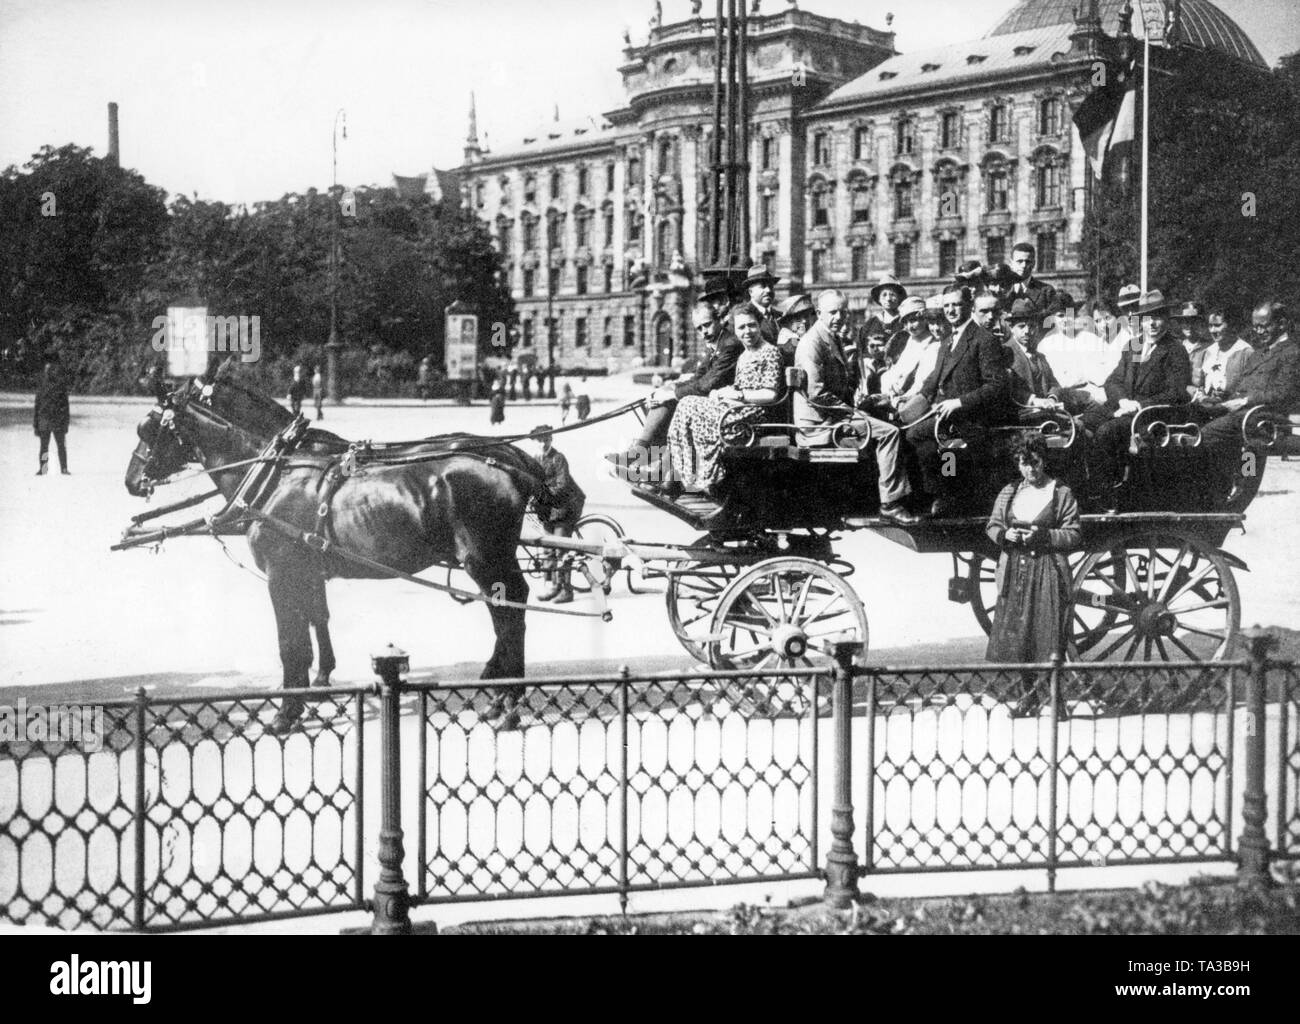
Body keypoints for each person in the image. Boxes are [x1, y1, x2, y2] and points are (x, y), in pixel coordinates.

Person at [793, 290, 918, 523]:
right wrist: (852, 411)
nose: (839, 317)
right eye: (832, 312)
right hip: (819, 425)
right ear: (819, 313)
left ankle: (885, 494)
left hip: (831, 416)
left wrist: (857, 400)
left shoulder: (832, 337)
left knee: (887, 421)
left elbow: (837, 385)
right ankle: (890, 502)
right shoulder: (812, 342)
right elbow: (816, 393)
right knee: (890, 433)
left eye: (843, 311)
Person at [985, 432, 1082, 716]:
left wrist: (1043, 536)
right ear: (1017, 463)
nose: (1030, 470)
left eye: (1035, 463)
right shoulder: (1010, 492)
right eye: (1024, 463)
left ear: (1044, 460)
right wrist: (1007, 534)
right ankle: (1027, 696)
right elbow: (992, 526)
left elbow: (1074, 534)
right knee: (1018, 634)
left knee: (1050, 635)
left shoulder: (1060, 492)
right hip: (1015, 569)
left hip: (1048, 570)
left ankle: (1057, 698)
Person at [607, 300, 743, 484]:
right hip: (711, 399)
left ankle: (655, 467)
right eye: (699, 328)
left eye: (707, 325)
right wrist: (671, 388)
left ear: (719, 320)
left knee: (679, 404)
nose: (704, 332)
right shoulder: (715, 343)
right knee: (667, 393)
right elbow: (698, 377)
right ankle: (642, 455)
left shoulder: (729, 344)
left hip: (724, 403)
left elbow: (708, 384)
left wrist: (672, 394)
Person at [1081, 290, 1191, 509]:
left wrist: (1139, 405)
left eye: (1158, 317)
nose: (1152, 324)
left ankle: (1106, 495)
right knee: (1084, 422)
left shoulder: (1175, 349)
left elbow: (1177, 392)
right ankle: (1085, 486)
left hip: (1151, 416)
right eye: (1147, 318)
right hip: (1125, 408)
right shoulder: (1133, 345)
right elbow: (1113, 381)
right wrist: (1123, 401)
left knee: (1107, 432)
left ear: (1166, 319)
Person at [906, 285, 1010, 517]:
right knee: (912, 432)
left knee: (923, 438)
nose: (951, 310)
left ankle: (946, 495)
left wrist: (959, 403)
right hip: (949, 417)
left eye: (957, 305)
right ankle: (941, 494)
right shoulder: (947, 340)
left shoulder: (984, 340)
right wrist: (904, 403)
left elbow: (997, 386)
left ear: (968, 306)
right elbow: (932, 381)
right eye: (947, 306)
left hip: (971, 419)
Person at [667, 305, 783, 496]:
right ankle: (687, 474)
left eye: (752, 326)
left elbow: (771, 394)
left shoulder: (769, 352)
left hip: (756, 414)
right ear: (735, 331)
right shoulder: (745, 355)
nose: (747, 332)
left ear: (760, 325)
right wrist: (721, 393)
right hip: (738, 409)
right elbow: (737, 387)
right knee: (686, 403)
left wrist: (739, 395)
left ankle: (710, 478)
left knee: (690, 407)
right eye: (741, 328)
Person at [1195, 301, 1300, 498]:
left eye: (1263, 325)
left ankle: (1236, 485)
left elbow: (1283, 394)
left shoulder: (1292, 353)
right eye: (1255, 326)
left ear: (1282, 324)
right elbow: (1241, 387)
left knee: (1209, 433)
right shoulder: (1260, 352)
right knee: (1193, 416)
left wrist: (1243, 401)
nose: (1259, 331)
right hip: (1241, 411)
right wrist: (1217, 403)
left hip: (1262, 417)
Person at [528, 425, 586, 604]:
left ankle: (566, 590)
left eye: (547, 439)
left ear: (551, 440)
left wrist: (542, 496)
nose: (543, 443)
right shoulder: (533, 461)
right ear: (535, 442)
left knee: (561, 549)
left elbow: (562, 484)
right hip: (548, 509)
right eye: (540, 440)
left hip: (566, 506)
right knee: (547, 548)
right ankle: (553, 586)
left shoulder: (558, 458)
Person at [1004, 298, 1071, 415]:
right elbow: (1006, 389)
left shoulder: (1039, 356)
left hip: (1047, 412)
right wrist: (1034, 400)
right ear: (1011, 328)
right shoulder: (1005, 352)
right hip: (1020, 415)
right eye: (1021, 326)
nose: (1027, 331)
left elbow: (1054, 384)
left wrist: (1052, 398)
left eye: (1031, 326)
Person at [880, 297, 941, 425]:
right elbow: (895, 371)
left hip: (916, 403)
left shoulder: (933, 346)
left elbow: (921, 383)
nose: (909, 327)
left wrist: (898, 400)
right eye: (905, 323)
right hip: (895, 397)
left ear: (925, 319)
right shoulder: (910, 341)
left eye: (913, 321)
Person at [1196, 309, 1253, 401]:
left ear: (1231, 326)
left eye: (1218, 325)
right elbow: (1200, 385)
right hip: (1206, 405)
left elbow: (1249, 390)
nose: (1213, 330)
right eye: (1210, 326)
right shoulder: (1208, 352)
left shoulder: (1245, 352)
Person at [33, 355, 70, 475]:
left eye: (50, 370)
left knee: (61, 446)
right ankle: (43, 469)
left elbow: (66, 407)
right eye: (47, 370)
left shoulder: (61, 386)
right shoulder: (41, 387)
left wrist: (66, 423)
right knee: (44, 448)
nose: (48, 372)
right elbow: (37, 407)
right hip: (44, 421)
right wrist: (36, 425)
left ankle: (64, 469)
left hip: (58, 421)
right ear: (45, 372)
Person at [1006, 242, 1058, 319]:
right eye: (1019, 261)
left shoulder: (1046, 291)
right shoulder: (1003, 290)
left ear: (1034, 263)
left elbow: (1052, 321)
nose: (1023, 265)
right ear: (1011, 263)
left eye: (1028, 262)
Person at [867, 273, 909, 361]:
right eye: (884, 295)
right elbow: (862, 353)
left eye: (892, 294)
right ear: (879, 299)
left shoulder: (906, 323)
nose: (888, 299)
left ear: (899, 297)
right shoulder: (870, 325)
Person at [1172, 302, 1211, 395]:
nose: (1189, 326)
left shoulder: (1208, 348)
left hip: (1200, 397)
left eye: (1193, 321)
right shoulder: (1175, 347)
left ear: (1200, 323)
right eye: (1185, 321)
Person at [742, 264, 781, 344]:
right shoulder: (744, 315)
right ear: (751, 292)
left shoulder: (779, 316)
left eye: (770, 286)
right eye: (762, 286)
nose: (768, 290)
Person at [775, 293, 815, 368]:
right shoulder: (787, 340)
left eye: (806, 316)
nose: (804, 321)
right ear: (787, 321)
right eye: (798, 318)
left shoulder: (804, 335)